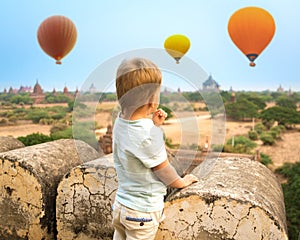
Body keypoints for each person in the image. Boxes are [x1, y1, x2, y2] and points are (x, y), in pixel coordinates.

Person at [112, 57, 199, 240]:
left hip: (121, 206)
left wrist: (154, 126)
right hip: (142, 212)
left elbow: (137, 145)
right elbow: (163, 170)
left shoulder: (120, 121)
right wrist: (182, 182)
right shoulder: (147, 135)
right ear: (153, 100)